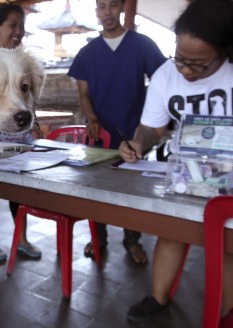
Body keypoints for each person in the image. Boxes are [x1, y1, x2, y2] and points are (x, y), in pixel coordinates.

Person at [119, 0, 233, 322]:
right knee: (173, 228)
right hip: (188, 167)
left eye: (197, 64)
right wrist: (138, 143)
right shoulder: (165, 75)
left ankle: (232, 316)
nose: (184, 70)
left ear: (227, 52)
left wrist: (226, 161)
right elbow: (153, 126)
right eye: (180, 58)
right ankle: (159, 299)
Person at [67, 0, 166, 265]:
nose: (107, 12)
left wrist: (151, 122)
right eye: (102, 6)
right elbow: (84, 94)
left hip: (135, 134)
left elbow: (164, 82)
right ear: (96, 11)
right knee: (96, 189)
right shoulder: (87, 53)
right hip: (100, 136)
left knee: (131, 191)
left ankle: (132, 240)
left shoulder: (142, 45)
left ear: (121, 7)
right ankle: (97, 238)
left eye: (112, 5)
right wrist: (92, 118)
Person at [0, 3, 43, 262]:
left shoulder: (22, 60)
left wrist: (35, 127)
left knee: (22, 191)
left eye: (22, 26)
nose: (18, 31)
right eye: (12, 25)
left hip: (20, 139)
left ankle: (22, 239)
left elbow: (28, 101)